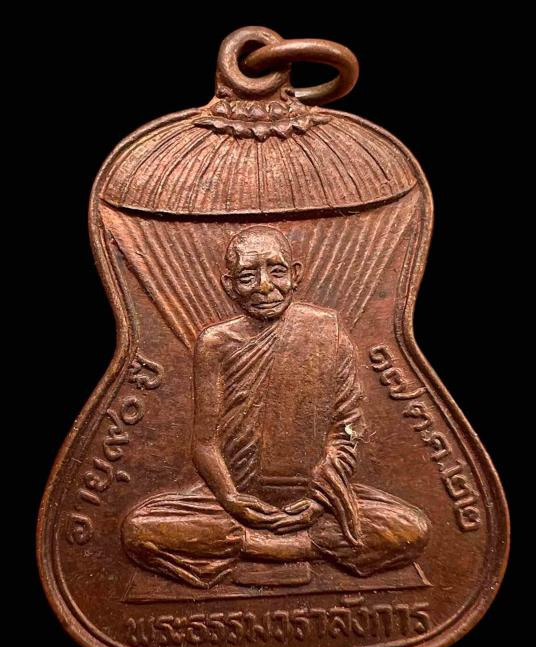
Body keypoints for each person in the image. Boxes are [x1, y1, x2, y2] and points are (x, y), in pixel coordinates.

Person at [122, 225, 429, 588]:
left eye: (277, 271)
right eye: (247, 277)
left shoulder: (326, 332)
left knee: (411, 529)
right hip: (231, 501)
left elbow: (346, 432)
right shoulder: (215, 343)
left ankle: (270, 547)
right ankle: (286, 547)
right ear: (229, 285)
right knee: (139, 530)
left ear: (295, 275)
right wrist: (231, 497)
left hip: (316, 499)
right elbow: (205, 443)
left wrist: (318, 502)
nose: (265, 286)